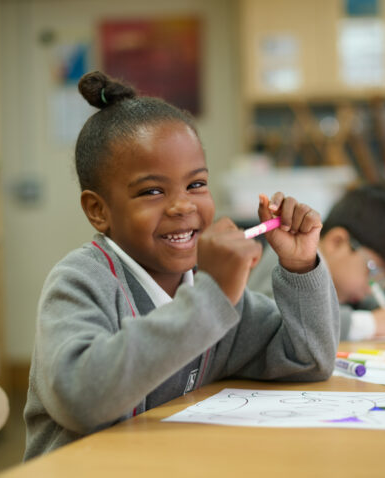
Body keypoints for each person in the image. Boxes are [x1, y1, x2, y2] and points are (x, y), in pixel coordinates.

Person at [23, 70, 339, 460]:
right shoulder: (81, 281)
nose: (183, 206)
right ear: (98, 210)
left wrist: (300, 264)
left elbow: (307, 359)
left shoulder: (215, 294)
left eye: (196, 185)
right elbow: (82, 397)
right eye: (152, 191)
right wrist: (212, 297)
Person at [248, 184, 385, 341]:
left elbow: (365, 302)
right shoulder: (288, 259)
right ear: (337, 243)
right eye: (373, 272)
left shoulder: (343, 284)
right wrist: (371, 323)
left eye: (381, 280)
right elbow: (282, 321)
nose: (369, 288)